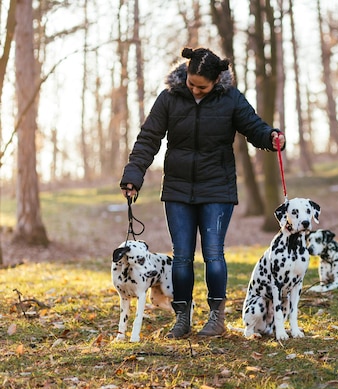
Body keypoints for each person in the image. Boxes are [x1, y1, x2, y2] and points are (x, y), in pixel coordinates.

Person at [120, 47, 285, 339]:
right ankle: (183, 318)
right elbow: (149, 138)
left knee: (213, 253)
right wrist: (134, 175)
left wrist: (271, 137)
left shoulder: (230, 98)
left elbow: (253, 126)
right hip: (178, 189)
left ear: (216, 80)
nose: (195, 90)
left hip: (217, 188)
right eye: (191, 84)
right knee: (182, 256)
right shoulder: (169, 97)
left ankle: (216, 317)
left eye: (202, 86)